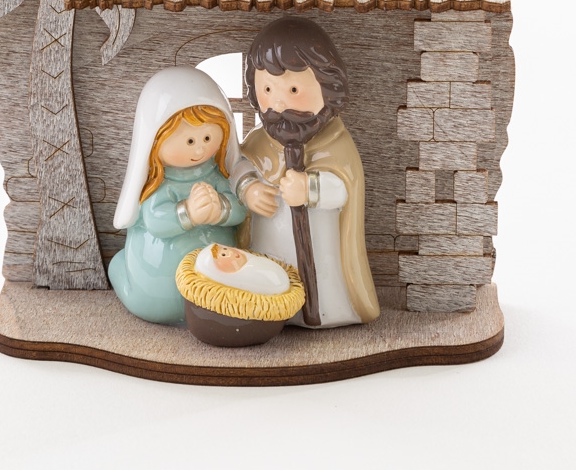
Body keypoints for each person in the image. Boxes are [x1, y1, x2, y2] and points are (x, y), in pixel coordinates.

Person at [232, 17, 379, 328]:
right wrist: (248, 188)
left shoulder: (335, 143)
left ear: (327, 86)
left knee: (325, 280)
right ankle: (274, 312)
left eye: (294, 88)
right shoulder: (259, 141)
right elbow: (238, 167)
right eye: (267, 88)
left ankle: (325, 311)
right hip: (268, 246)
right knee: (268, 280)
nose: (278, 102)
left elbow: (344, 188)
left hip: (323, 251)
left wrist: (311, 188)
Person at [109, 67, 247, 325]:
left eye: (207, 137)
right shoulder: (158, 184)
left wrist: (220, 209)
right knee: (134, 284)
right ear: (154, 140)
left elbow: (240, 209)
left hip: (220, 282)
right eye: (189, 141)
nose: (200, 149)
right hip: (159, 288)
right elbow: (155, 222)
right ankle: (124, 275)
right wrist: (189, 213)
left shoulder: (217, 176)